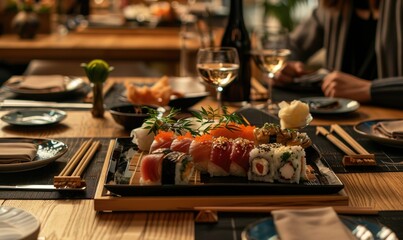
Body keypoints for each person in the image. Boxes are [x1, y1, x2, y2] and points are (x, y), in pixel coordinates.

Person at [276, 0, 403, 108]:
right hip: (339, 120)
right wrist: (283, 66)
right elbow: (289, 47)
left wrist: (369, 89)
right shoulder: (335, 4)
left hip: (390, 125)